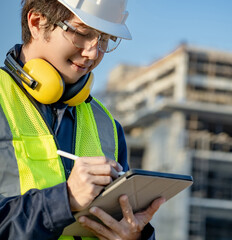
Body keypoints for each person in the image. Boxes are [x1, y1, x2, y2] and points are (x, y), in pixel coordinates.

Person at [0, 0, 165, 239]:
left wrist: (134, 235)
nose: (93, 52)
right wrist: (65, 199)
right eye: (82, 32)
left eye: (105, 39)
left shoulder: (107, 125)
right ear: (36, 23)